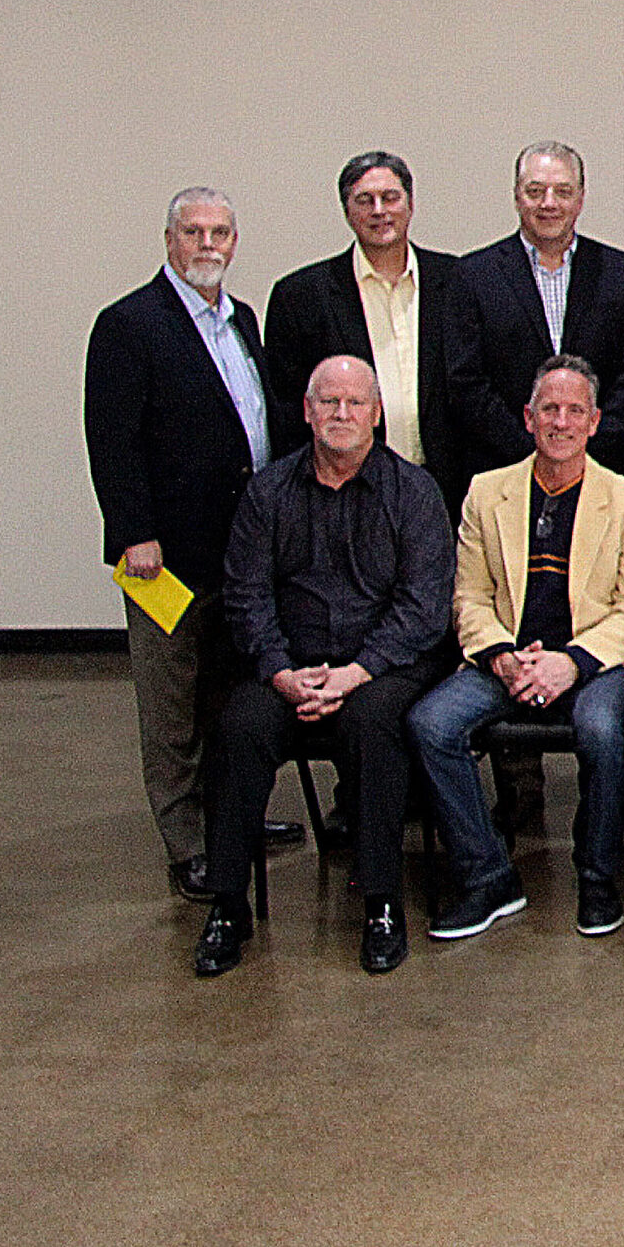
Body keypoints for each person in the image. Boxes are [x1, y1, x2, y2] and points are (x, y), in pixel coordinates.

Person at [191, 355, 454, 978]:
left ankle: (382, 902)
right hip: (290, 667)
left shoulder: (414, 492)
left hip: (383, 669)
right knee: (239, 728)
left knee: (374, 727)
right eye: (328, 402)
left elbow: (424, 607)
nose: (341, 413)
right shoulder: (268, 493)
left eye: (355, 402)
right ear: (307, 412)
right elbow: (246, 595)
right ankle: (228, 904)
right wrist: (280, 671)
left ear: (377, 414)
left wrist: (357, 672)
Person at [84, 186, 292, 902]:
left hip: (239, 552)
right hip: (164, 558)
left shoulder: (242, 320)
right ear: (169, 240)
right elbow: (112, 440)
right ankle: (187, 844)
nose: (208, 245)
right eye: (194, 232)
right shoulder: (129, 324)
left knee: (226, 698)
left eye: (221, 233)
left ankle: (232, 819)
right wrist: (132, 533)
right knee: (171, 704)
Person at [406, 356, 624, 943]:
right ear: (528, 417)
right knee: (430, 724)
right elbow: (468, 595)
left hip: (597, 661)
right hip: (508, 658)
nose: (561, 422)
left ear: (595, 422)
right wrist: (500, 654)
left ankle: (596, 874)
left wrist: (571, 662)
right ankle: (488, 876)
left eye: (575, 411)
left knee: (602, 729)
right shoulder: (486, 492)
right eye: (549, 409)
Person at [264, 151, 480, 509]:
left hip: (447, 489)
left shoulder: (458, 281)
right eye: (365, 200)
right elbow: (289, 412)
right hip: (345, 493)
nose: (379, 211)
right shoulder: (302, 296)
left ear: (410, 204)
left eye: (390, 197)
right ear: (347, 212)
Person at [450, 141, 624, 482]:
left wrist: (583, 447)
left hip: (604, 466)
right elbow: (466, 381)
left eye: (563, 191)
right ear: (517, 197)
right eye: (535, 191)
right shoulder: (474, 275)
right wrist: (533, 451)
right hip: (505, 468)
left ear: (580, 199)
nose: (549, 203)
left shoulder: (619, 271)